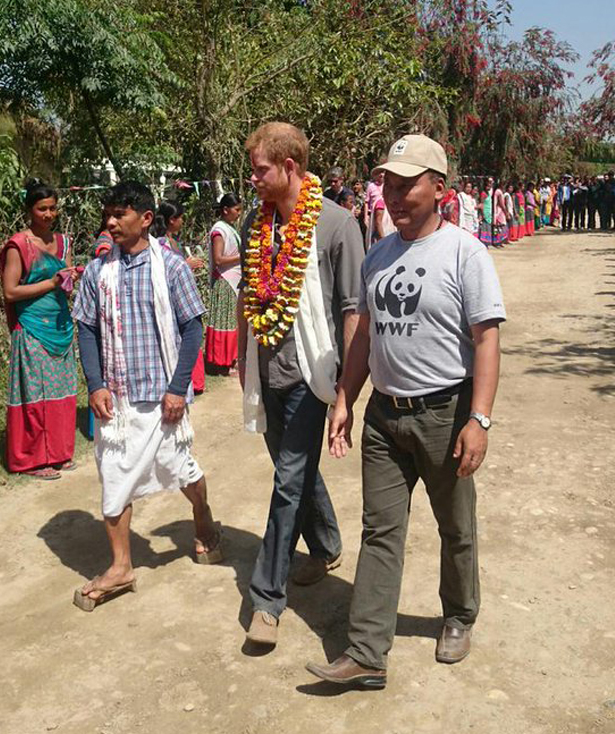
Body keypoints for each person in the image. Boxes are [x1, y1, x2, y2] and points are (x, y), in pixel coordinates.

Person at [305, 133, 506, 689]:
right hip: (384, 420)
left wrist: (479, 418)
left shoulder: (466, 253)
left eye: (406, 184)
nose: (392, 195)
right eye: (388, 184)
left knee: (455, 526)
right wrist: (346, 396)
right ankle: (368, 652)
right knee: (380, 531)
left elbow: (485, 340)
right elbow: (365, 337)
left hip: (445, 413)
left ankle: (459, 615)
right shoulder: (377, 257)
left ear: (438, 189)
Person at [237, 122, 364, 646]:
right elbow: (250, 291)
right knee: (295, 471)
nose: (253, 180)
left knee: (288, 479)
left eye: (260, 170)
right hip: (267, 371)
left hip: (316, 372)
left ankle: (267, 598)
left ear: (290, 167)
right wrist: (243, 364)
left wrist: (345, 395)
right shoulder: (255, 222)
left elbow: (353, 310)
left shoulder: (336, 224)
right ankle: (328, 544)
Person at [72, 182, 222, 611]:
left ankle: (202, 517)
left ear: (146, 219)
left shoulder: (171, 268)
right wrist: (96, 383)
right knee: (114, 477)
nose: (111, 222)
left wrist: (178, 389)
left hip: (162, 400)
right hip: (117, 402)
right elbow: (86, 328)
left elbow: (193, 327)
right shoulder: (99, 273)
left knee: (181, 468)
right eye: (109, 215)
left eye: (120, 214)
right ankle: (121, 567)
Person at [0, 179, 80, 480]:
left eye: (52, 208)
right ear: (30, 210)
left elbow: (66, 286)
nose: (48, 214)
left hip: (60, 326)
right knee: (35, 393)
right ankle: (32, 459)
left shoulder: (64, 242)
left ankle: (59, 453)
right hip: (32, 328)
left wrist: (70, 281)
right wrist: (52, 283)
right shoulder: (18, 245)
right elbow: (9, 292)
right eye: (42, 208)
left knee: (61, 391)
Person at [152, 200, 206, 393]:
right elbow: (163, 270)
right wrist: (186, 265)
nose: (183, 221)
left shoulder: (174, 242)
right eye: (181, 217)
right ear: (172, 220)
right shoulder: (160, 243)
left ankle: (195, 381)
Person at [205, 193, 242, 373]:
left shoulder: (228, 227)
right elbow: (219, 259)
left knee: (231, 321)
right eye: (236, 209)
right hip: (224, 281)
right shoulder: (219, 230)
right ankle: (222, 362)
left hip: (232, 281)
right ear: (225, 210)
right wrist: (242, 256)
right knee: (224, 322)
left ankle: (231, 359)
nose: (239, 213)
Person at [479, 177, 507, 247]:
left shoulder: (489, 193)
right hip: (485, 212)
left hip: (489, 212)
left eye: (490, 184)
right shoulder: (483, 193)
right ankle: (484, 243)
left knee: (488, 228)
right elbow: (482, 204)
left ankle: (488, 242)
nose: (489, 186)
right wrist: (482, 214)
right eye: (488, 185)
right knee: (485, 229)